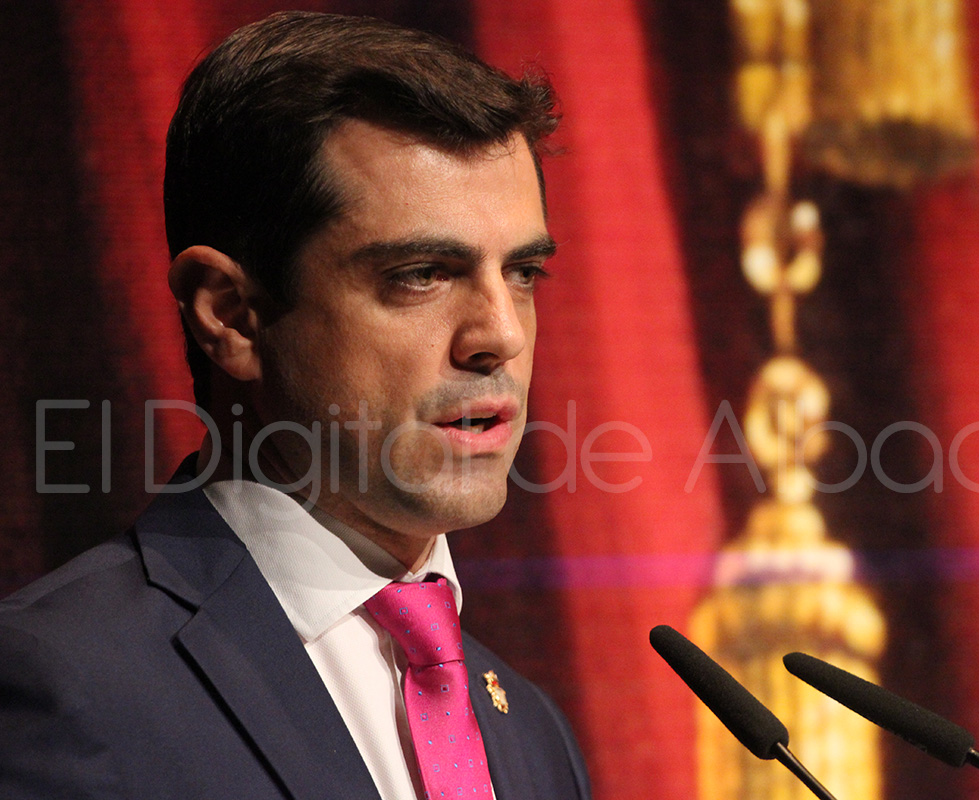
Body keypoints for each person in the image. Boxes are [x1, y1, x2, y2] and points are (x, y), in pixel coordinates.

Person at [0, 11, 591, 800]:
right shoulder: (63, 685)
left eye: (522, 274)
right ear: (231, 314)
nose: (501, 335)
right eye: (421, 274)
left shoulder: (534, 735)